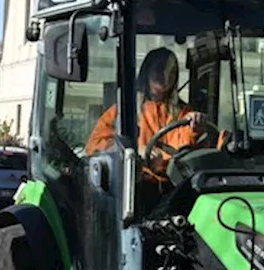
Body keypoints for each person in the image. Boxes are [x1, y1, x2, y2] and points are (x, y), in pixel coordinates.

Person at [86, 48, 214, 181]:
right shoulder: (125, 109)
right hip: (136, 183)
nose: (165, 74)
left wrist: (196, 126)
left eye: (172, 71)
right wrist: (135, 151)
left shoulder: (183, 113)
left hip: (175, 185)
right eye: (160, 68)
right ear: (146, 71)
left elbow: (187, 148)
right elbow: (96, 145)